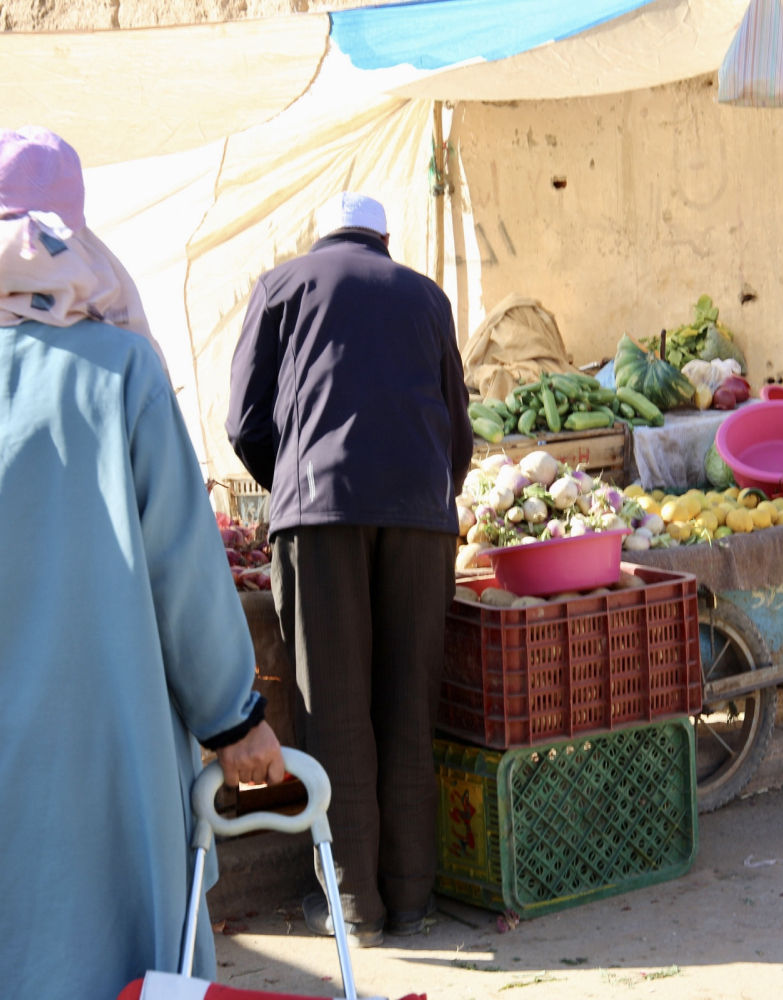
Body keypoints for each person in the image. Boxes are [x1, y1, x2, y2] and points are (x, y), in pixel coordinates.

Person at [0, 126, 286, 1000]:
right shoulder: (122, 373)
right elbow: (182, 569)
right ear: (73, 238)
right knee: (116, 961)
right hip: (100, 740)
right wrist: (233, 720)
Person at [227, 192, 473, 947]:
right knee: (407, 700)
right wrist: (430, 494)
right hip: (420, 518)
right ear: (384, 238)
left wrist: (298, 480)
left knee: (333, 707)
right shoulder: (427, 296)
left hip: (319, 516)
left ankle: (351, 906)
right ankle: (411, 898)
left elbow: (244, 421)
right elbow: (457, 424)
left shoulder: (284, 284)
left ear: (323, 232)